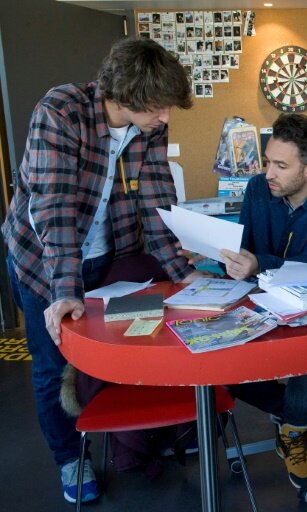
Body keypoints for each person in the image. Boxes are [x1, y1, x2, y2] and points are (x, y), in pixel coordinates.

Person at [2, 37, 207, 505]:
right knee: (53, 366)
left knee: (127, 347)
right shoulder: (61, 111)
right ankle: (69, 458)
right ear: (128, 95)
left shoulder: (150, 128)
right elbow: (53, 209)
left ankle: (135, 441)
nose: (167, 118)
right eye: (159, 106)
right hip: (42, 263)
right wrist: (66, 290)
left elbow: (157, 204)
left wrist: (183, 272)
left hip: (107, 258)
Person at [218, 113, 307, 496]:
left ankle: (294, 432)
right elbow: (244, 244)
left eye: (281, 165)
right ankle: (298, 416)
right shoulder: (257, 188)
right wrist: (224, 257)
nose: (269, 173)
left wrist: (259, 263)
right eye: (268, 161)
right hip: (255, 298)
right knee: (217, 361)